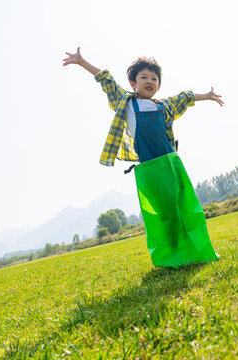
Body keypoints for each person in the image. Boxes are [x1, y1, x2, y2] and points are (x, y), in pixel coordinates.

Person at [63, 47, 222, 267]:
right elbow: (106, 80)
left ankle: (200, 249)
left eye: (154, 78)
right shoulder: (126, 104)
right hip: (150, 169)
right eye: (144, 77)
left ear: (159, 85)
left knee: (187, 207)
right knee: (164, 215)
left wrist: (208, 95)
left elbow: (185, 97)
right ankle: (171, 257)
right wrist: (82, 62)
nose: (149, 81)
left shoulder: (164, 106)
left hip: (172, 164)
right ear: (133, 84)